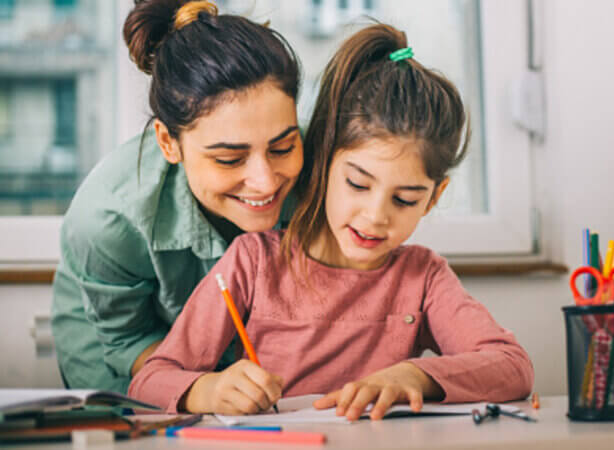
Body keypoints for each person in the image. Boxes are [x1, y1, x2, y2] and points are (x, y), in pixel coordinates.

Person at [129, 23, 533, 420]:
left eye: (405, 199)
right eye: (358, 184)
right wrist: (208, 390)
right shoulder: (254, 262)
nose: (376, 216)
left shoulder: (423, 277)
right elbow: (149, 380)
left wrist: (414, 375)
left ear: (434, 198)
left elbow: (513, 367)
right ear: (323, 164)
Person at [51, 0, 304, 394]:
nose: (265, 181)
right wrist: (200, 388)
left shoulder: (327, 169)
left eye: (283, 148)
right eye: (229, 158)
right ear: (169, 143)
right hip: (123, 358)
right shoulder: (108, 218)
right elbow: (126, 340)